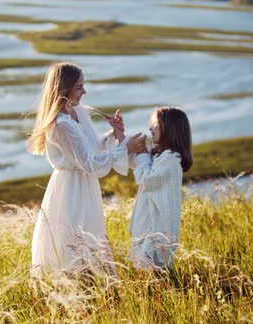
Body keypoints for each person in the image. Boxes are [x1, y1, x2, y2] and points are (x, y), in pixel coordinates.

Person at [27, 62, 146, 276]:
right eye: (80, 87)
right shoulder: (60, 125)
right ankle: (75, 286)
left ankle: (93, 285)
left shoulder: (78, 113)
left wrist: (113, 134)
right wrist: (125, 147)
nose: (84, 91)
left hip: (85, 185)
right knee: (72, 241)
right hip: (70, 190)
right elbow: (89, 164)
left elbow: (93, 149)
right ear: (64, 89)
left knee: (90, 239)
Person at [128, 107, 193, 273]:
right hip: (151, 221)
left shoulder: (171, 158)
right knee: (146, 267)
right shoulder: (160, 155)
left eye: (155, 124)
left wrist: (142, 153)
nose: (150, 128)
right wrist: (120, 135)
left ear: (169, 128)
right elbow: (136, 162)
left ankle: (160, 292)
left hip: (158, 225)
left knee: (154, 267)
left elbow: (147, 180)